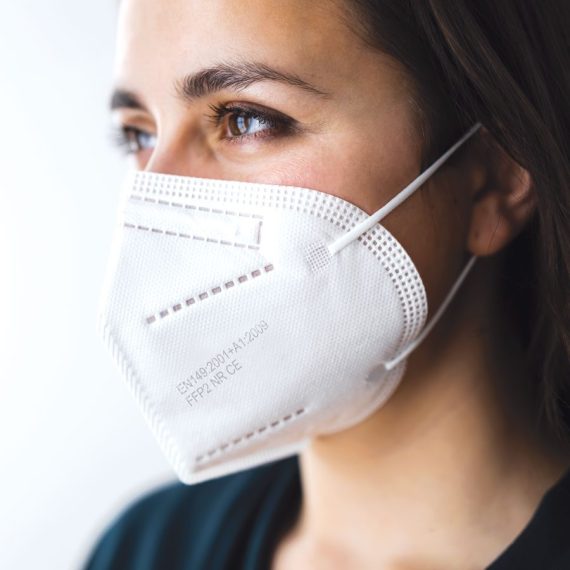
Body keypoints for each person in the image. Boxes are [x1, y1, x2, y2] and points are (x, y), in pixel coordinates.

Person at [83, 1, 570, 568]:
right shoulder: (146, 549)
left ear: (494, 178)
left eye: (246, 119)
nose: (154, 202)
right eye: (139, 135)